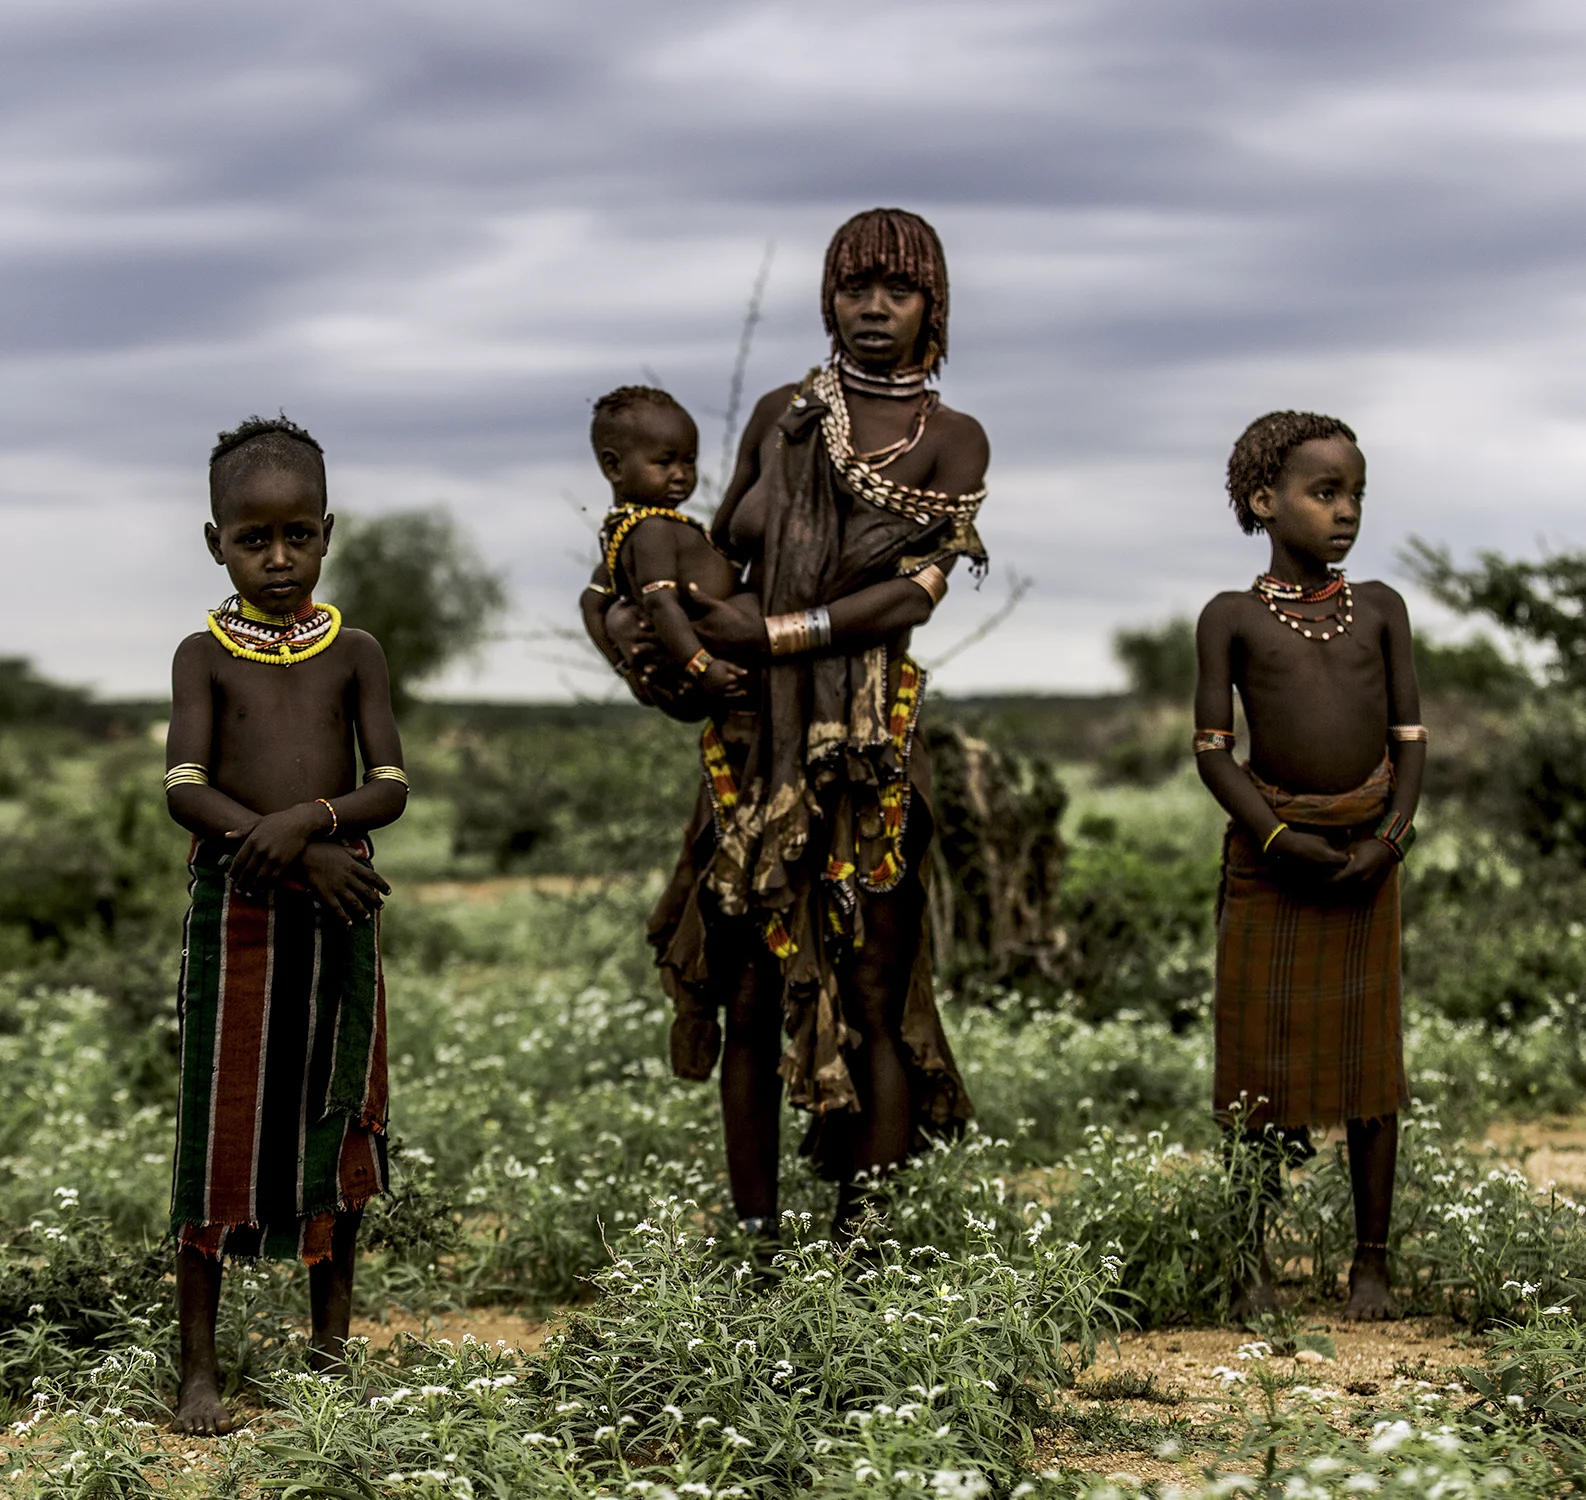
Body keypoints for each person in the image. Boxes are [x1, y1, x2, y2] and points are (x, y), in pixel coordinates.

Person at [649, 208, 986, 1249]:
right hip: (756, 743)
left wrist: (775, 632)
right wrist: (662, 628)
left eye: (897, 289)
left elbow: (910, 599)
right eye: (852, 287)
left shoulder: (951, 439)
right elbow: (720, 557)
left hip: (865, 744)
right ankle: (754, 1240)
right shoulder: (780, 414)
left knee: (874, 992)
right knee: (750, 989)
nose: (872, 307)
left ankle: (863, 1239)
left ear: (932, 304)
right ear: (827, 298)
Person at [163, 416, 409, 1433]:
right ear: (214, 541)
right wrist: (289, 844)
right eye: (252, 538)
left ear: (327, 533)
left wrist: (310, 827)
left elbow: (387, 784)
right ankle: (197, 1372)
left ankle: (329, 1350)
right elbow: (183, 785)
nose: (277, 558)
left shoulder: (354, 652)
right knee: (216, 1132)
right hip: (241, 911)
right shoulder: (201, 656)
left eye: (296, 536)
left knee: (334, 1115)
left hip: (339, 907)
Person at [1193, 410, 1425, 1322]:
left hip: (1368, 860)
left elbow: (1411, 745)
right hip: (1273, 864)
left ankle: (1371, 1261)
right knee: (1256, 1063)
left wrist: (1387, 845)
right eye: (1324, 492)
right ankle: (1251, 1262)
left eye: (1356, 493)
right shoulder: (1231, 619)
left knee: (1373, 1071)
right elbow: (1213, 752)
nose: (1346, 512)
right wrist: (1281, 843)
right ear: (1263, 500)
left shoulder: (1383, 610)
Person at [579, 386, 747, 704]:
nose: (680, 475)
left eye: (689, 461)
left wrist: (624, 669)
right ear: (614, 467)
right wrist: (702, 666)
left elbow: (591, 602)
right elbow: (661, 604)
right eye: (664, 462)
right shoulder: (652, 530)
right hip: (715, 668)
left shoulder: (624, 529)